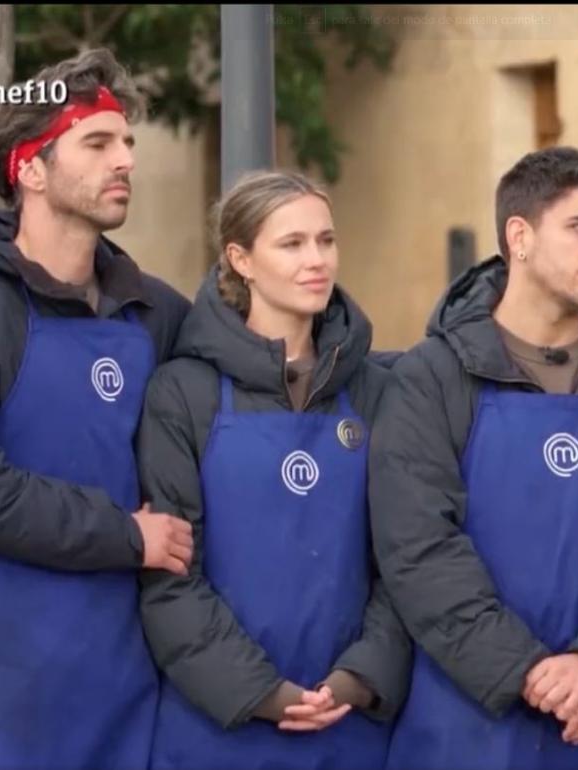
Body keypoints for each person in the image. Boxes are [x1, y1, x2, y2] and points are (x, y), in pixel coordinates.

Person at [0, 48, 194, 770]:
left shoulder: (154, 312)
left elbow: (261, 370)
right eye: (97, 143)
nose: (125, 161)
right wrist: (122, 535)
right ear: (29, 168)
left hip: (127, 681)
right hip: (4, 687)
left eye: (127, 143)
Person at [368, 146, 578, 770]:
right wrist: (527, 672)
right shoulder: (434, 377)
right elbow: (419, 550)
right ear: (519, 237)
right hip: (470, 720)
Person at [136, 170, 412, 769]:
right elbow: (171, 577)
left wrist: (361, 677)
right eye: (292, 244)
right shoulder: (184, 393)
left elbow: (404, 559)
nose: (316, 260)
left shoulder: (377, 392)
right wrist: (261, 693)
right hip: (219, 723)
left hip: (351, 724)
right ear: (241, 259)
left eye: (326, 240)